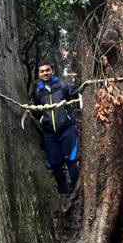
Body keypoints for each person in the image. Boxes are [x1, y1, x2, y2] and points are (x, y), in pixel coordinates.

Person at [33, 62, 80, 195]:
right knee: (55, 164)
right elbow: (36, 112)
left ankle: (77, 192)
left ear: (52, 71)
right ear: (38, 74)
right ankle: (65, 193)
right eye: (42, 71)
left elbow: (78, 94)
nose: (45, 73)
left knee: (71, 160)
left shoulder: (64, 85)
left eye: (47, 70)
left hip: (66, 128)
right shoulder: (38, 92)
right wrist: (42, 118)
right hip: (49, 133)